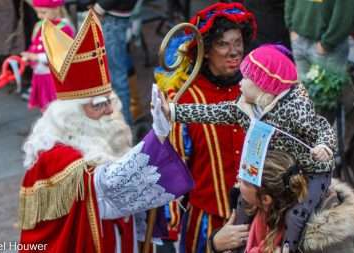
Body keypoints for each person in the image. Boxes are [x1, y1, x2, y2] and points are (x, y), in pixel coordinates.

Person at [18, 11, 193, 253]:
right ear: (71, 114)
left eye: (109, 100)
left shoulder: (100, 138)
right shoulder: (56, 156)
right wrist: (157, 136)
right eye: (98, 104)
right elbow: (114, 189)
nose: (110, 110)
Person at [163, 44, 337, 252]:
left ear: (262, 87)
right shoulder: (246, 107)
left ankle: (288, 247)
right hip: (272, 171)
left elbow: (322, 126)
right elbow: (214, 112)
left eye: (246, 79)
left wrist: (324, 145)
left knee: (296, 216)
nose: (240, 82)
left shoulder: (295, 111)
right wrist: (174, 111)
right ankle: (237, 243)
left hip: (312, 171)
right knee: (241, 203)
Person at [154, 3, 257, 252]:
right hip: (208, 227)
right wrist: (169, 233)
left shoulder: (255, 90)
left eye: (238, 42)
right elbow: (172, 169)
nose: (234, 52)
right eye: (223, 44)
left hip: (258, 221)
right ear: (206, 51)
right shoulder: (186, 99)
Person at [210, 151, 354, 253]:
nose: (238, 179)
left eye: (245, 181)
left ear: (265, 199)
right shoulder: (249, 205)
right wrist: (215, 243)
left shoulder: (324, 235)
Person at [285, 0, 354, 81]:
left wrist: (327, 43)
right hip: (299, 39)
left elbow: (346, 14)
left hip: (327, 48)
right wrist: (290, 26)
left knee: (326, 92)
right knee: (303, 90)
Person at [20, 0, 75, 112]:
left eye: (43, 12)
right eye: (37, 12)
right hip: (40, 75)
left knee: (59, 110)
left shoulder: (63, 28)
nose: (39, 16)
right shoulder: (40, 25)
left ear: (57, 9)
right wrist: (28, 57)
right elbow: (35, 46)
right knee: (45, 109)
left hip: (54, 78)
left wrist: (37, 58)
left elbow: (61, 55)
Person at [93, 0, 138, 126]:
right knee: (115, 75)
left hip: (112, 17)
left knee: (116, 79)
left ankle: (125, 126)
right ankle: (123, 124)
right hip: (114, 16)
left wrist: (98, 8)